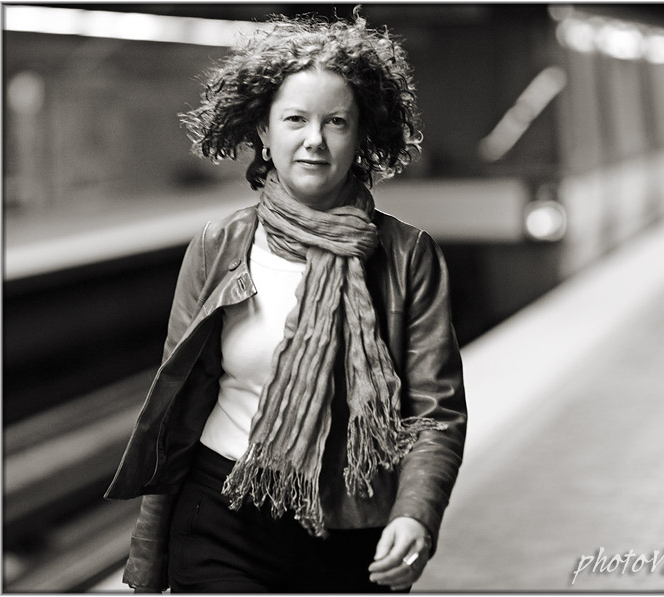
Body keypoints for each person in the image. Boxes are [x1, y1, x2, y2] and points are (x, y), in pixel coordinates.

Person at [105, 9, 466, 593]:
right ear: (264, 133)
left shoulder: (407, 255)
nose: (314, 140)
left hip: (353, 525)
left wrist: (415, 513)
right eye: (295, 119)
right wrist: (150, 551)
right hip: (221, 514)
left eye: (336, 122)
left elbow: (436, 412)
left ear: (362, 135)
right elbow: (175, 403)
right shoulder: (218, 246)